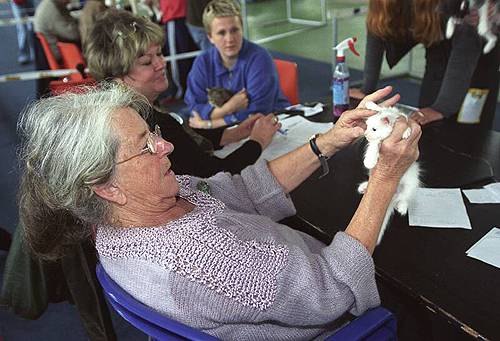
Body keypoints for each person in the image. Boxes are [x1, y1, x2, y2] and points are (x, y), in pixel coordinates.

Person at [17, 82, 421, 339]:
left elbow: (243, 189)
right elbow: (330, 290)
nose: (167, 146)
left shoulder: (126, 218)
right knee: (422, 301)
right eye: (145, 145)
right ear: (105, 186)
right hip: (331, 311)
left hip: (297, 275)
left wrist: (328, 141)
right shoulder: (203, 260)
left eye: (153, 133)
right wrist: (386, 174)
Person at [85, 9, 277, 177]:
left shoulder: (120, 110)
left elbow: (185, 142)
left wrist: (229, 134)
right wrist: (257, 142)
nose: (161, 64)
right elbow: (212, 174)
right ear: (118, 75)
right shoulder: (149, 126)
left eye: (160, 53)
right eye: (146, 62)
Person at [351, 0, 499, 129]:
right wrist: (367, 88)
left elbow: (467, 43)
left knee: (468, 128)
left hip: (479, 56)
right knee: (426, 119)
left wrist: (441, 108)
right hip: (438, 48)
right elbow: (377, 24)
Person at [184, 0, 290, 128]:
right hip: (226, 132)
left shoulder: (260, 58)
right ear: (210, 37)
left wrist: (209, 123)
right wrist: (228, 108)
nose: (229, 39)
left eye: (234, 30)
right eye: (221, 33)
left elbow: (257, 113)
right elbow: (194, 108)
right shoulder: (202, 63)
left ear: (242, 29)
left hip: (271, 125)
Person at [9, 0, 38, 64]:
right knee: (22, 28)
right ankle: (24, 53)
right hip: (18, 2)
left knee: (33, 25)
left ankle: (35, 53)